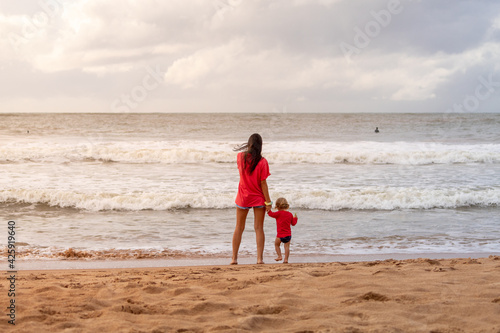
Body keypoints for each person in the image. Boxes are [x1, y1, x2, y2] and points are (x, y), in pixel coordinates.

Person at [232, 133, 272, 265]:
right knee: (259, 228)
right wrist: (268, 202)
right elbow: (263, 184)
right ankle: (259, 259)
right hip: (259, 198)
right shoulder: (262, 161)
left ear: (249, 144)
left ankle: (234, 259)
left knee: (239, 227)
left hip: (243, 196)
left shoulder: (240, 157)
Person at [267, 197, 298, 264]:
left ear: (277, 206)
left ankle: (279, 256)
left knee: (276, 245)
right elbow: (293, 224)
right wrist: (295, 218)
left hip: (280, 235)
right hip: (288, 235)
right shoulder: (290, 214)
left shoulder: (278, 213)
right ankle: (286, 259)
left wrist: (268, 210)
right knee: (286, 247)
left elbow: (271, 214)